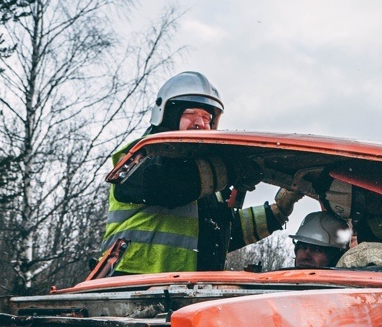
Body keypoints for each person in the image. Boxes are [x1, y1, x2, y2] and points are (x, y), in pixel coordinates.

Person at [98, 71, 302, 275]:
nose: (200, 123)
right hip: (129, 289)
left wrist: (278, 211)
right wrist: (233, 168)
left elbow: (223, 232)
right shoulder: (138, 157)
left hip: (188, 294)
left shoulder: (209, 184)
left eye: (206, 117)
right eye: (190, 114)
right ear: (167, 114)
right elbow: (171, 185)